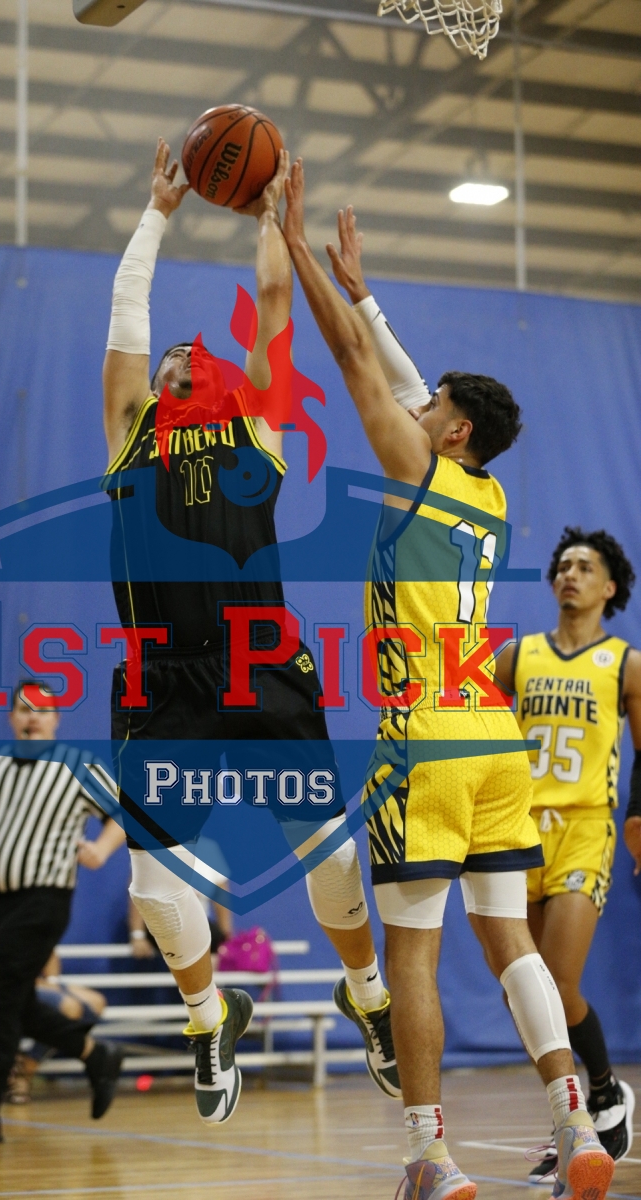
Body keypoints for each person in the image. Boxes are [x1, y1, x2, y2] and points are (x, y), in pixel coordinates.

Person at [282, 169, 614, 1200]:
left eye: (430, 407)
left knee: (414, 956)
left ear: (452, 429)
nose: (414, 406)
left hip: (422, 737)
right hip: (493, 742)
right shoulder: (488, 493)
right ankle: (576, 1122)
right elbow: (407, 378)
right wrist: (366, 290)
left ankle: (430, 1155)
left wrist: (292, 246)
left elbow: (354, 363)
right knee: (510, 943)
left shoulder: (415, 466)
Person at [102, 138, 399, 1125]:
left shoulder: (253, 428)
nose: (181, 355)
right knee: (154, 886)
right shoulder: (131, 428)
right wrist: (157, 214)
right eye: (171, 357)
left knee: (330, 853)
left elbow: (273, 305)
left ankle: (367, 998)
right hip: (160, 678)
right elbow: (126, 315)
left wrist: (271, 215)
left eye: (197, 353)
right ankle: (207, 1016)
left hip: (261, 665)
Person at [494, 527, 640, 1176]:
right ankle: (582, 1108)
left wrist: (637, 819)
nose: (570, 574)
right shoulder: (517, 656)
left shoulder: (625, 663)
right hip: (519, 827)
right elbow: (475, 726)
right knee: (522, 992)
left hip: (585, 826)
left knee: (557, 978)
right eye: (563, 565)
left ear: (609, 587)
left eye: (584, 566)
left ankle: (594, 1098)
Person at [0, 681, 126, 1146]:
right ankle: (94, 1053)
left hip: (43, 899)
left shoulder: (77, 766)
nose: (32, 716)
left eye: (42, 710)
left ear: (56, 719)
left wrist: (101, 849)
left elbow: (124, 812)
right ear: (11, 717)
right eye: (23, 709)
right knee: (9, 1000)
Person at [8, 951, 108, 1104]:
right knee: (69, 1009)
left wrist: (52, 982)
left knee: (96, 1002)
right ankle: (23, 1073)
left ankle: (28, 1064)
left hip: (33, 981)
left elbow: (48, 950)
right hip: (8, 982)